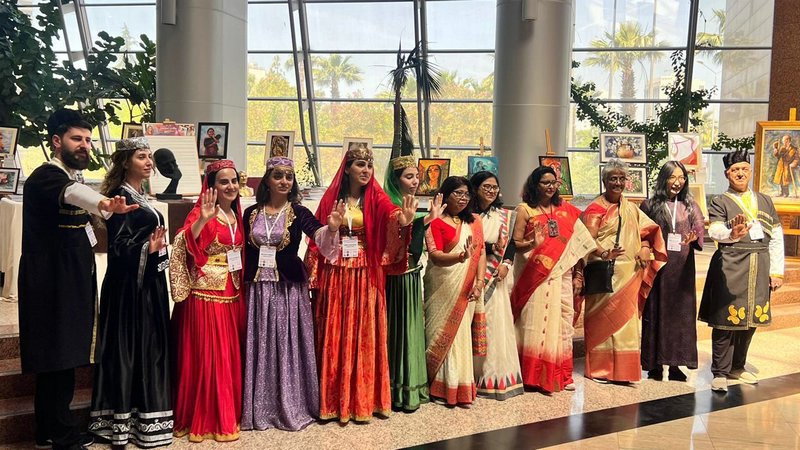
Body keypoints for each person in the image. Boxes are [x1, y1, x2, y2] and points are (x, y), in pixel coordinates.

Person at [18, 108, 137, 450]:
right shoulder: (46, 176)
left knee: (65, 352)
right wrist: (106, 203)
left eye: (87, 139)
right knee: (57, 353)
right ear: (57, 141)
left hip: (70, 276)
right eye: (76, 139)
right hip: (50, 280)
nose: (84, 145)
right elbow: (72, 194)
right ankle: (61, 432)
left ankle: (48, 429)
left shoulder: (72, 177)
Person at [305, 145, 417, 423]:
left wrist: (403, 221)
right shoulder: (332, 198)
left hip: (365, 271)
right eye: (360, 165)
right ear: (347, 169)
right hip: (336, 270)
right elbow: (317, 237)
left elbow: (392, 215)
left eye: (369, 165)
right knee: (335, 329)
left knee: (364, 331)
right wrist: (331, 230)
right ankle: (332, 400)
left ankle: (364, 400)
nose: (366, 170)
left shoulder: (377, 197)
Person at [240, 157, 343, 431]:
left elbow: (318, 236)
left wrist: (332, 228)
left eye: (289, 176)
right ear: (267, 180)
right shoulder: (250, 213)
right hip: (258, 290)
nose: (284, 181)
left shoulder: (299, 212)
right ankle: (259, 405)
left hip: (287, 290)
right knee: (260, 343)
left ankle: (290, 402)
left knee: (286, 344)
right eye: (278, 176)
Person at [89, 137, 173, 448]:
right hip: (129, 289)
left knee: (147, 346)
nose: (149, 162)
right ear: (125, 162)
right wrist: (146, 250)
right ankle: (123, 421)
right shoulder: (120, 197)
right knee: (131, 347)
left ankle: (145, 417)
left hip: (147, 283)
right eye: (141, 157)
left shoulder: (139, 194)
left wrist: (155, 251)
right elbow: (118, 246)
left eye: (150, 156)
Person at [169, 159, 244, 442]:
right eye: (224, 182)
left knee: (225, 355)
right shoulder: (203, 212)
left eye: (234, 181)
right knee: (209, 357)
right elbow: (184, 242)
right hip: (205, 294)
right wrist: (202, 219)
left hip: (231, 291)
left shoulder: (235, 213)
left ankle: (226, 412)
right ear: (211, 186)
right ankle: (207, 417)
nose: (231, 186)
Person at [699, 149, 784, 393]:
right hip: (731, 265)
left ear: (750, 171)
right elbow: (715, 230)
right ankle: (720, 371)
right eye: (735, 170)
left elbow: (776, 236)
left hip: (760, 264)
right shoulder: (720, 201)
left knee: (751, 319)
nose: (740, 173)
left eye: (744, 169)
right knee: (725, 319)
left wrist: (776, 271)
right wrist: (731, 234)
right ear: (727, 174)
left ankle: (738, 366)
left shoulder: (765, 200)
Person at [578, 159, 667, 384]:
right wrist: (604, 253)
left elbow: (647, 232)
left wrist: (645, 248)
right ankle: (599, 370)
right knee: (602, 322)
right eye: (612, 179)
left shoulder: (631, 208)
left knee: (626, 323)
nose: (617, 183)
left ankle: (624, 372)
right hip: (603, 274)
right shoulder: (595, 209)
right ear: (604, 181)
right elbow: (585, 240)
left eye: (621, 178)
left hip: (629, 274)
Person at [509, 166, 595, 393]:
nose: (550, 186)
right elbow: (514, 244)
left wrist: (579, 274)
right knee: (533, 323)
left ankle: (560, 375)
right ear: (534, 184)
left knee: (562, 324)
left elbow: (579, 247)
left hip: (562, 275)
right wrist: (532, 244)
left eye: (553, 182)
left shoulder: (567, 211)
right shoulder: (524, 209)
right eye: (545, 182)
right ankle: (532, 375)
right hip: (534, 275)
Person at [382, 155, 444, 411]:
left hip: (410, 273)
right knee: (396, 329)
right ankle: (392, 388)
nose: (416, 181)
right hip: (393, 279)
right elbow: (390, 242)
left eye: (417, 176)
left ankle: (408, 385)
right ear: (395, 180)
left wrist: (426, 219)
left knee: (408, 328)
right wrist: (410, 221)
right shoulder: (388, 205)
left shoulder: (408, 203)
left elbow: (413, 235)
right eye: (409, 177)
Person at [423, 176, 487, 407]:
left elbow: (480, 253)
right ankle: (439, 387)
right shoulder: (435, 221)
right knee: (440, 333)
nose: (463, 198)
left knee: (461, 336)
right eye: (458, 193)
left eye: (466, 194)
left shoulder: (475, 221)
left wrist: (479, 283)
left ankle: (460, 386)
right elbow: (435, 257)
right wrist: (461, 256)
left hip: (467, 287)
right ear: (445, 195)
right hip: (442, 285)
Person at [639, 161, 705, 382]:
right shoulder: (649, 205)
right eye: (673, 177)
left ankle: (676, 364)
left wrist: (694, 237)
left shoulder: (690, 205)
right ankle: (654, 365)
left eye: (682, 177)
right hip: (658, 268)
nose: (678, 182)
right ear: (663, 179)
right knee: (655, 312)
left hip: (682, 269)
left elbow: (699, 227)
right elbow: (642, 232)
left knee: (680, 316)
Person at [469, 171, 523, 400]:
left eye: (494, 187)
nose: (491, 191)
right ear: (475, 188)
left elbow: (510, 244)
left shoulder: (504, 216)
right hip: (472, 275)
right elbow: (471, 243)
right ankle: (469, 377)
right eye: (486, 187)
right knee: (473, 323)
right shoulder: (467, 215)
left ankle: (494, 376)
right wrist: (491, 248)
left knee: (495, 324)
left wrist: (507, 264)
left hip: (496, 276)